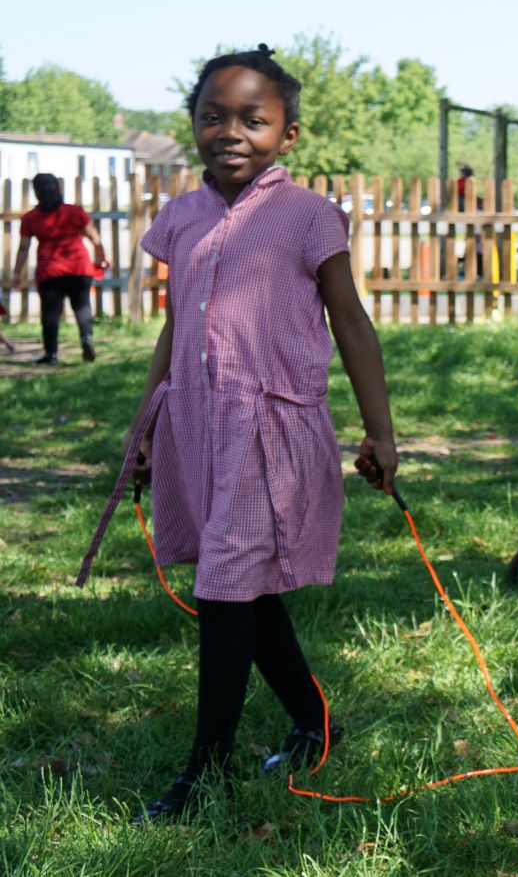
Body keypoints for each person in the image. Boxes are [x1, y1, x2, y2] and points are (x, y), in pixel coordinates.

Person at [74, 44, 399, 822]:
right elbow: (175, 326)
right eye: (212, 116)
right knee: (240, 587)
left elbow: (349, 320)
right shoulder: (181, 217)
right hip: (194, 423)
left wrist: (380, 432)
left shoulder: (306, 215)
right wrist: (146, 422)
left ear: (288, 134)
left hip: (270, 429)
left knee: (222, 589)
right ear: (191, 125)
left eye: (254, 119)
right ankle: (316, 723)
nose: (231, 132)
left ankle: (204, 772)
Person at [10, 172, 109, 364]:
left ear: (36, 192)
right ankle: (86, 338)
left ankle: (51, 354)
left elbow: (23, 248)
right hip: (79, 267)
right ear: (58, 189)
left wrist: (16, 274)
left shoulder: (30, 218)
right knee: (82, 305)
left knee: (51, 312)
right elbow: (94, 237)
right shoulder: (75, 212)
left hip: (50, 271)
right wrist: (103, 257)